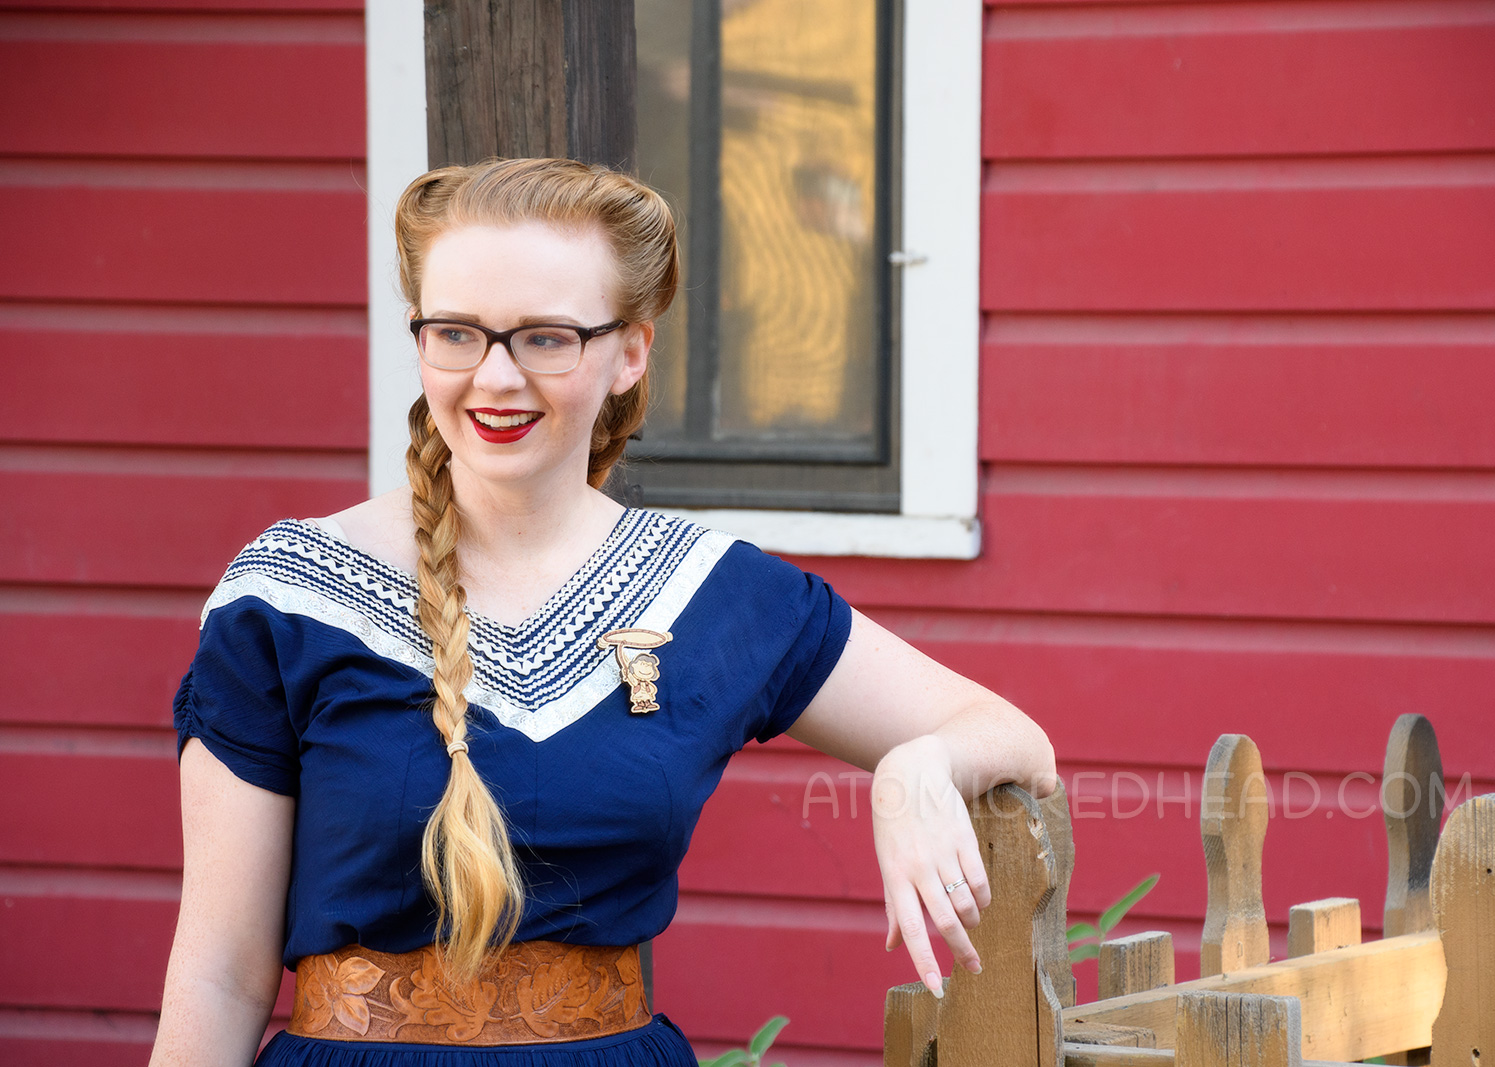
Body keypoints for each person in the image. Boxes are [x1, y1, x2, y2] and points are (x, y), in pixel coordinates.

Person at [149, 157, 1056, 1066]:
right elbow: (221, 971)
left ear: (630, 352)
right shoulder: (289, 595)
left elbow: (1012, 735)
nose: (495, 378)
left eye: (547, 337)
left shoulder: (711, 593)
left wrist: (920, 763)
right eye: (457, 333)